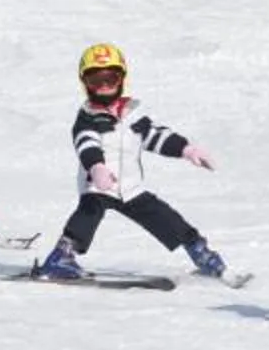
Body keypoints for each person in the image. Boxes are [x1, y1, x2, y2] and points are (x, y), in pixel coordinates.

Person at [29, 44, 235, 281]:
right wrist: (96, 167)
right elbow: (86, 144)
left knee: (163, 216)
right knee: (89, 210)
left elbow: (153, 135)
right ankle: (61, 257)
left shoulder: (131, 113)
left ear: (122, 78)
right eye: (96, 80)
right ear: (85, 83)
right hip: (100, 184)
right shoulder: (86, 118)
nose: (104, 86)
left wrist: (185, 149)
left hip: (130, 187)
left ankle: (199, 251)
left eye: (111, 78)